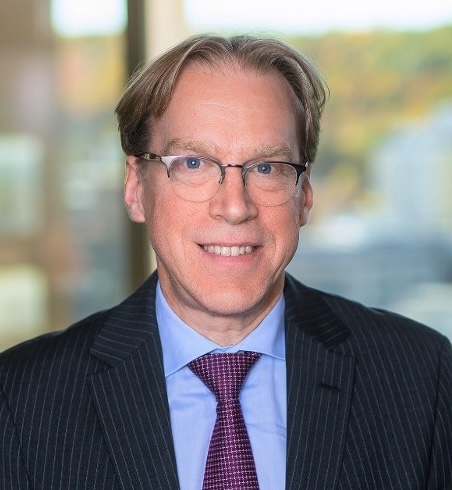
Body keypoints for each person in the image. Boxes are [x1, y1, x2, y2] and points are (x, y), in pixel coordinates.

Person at [0, 34, 451, 490]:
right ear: (136, 187)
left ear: (305, 194)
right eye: (193, 163)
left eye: (267, 168)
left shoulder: (421, 377)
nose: (234, 207)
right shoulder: (21, 399)